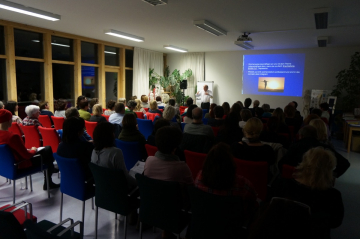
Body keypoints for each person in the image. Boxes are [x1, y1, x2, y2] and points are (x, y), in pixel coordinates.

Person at [274, 147, 344, 239]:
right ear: (329, 170)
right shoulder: (333, 196)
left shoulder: (281, 184)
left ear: (304, 163)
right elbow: (335, 223)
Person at [144, 126, 193, 239]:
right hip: (175, 214)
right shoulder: (181, 167)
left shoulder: (149, 160)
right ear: (176, 147)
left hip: (151, 208)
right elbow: (191, 190)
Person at [195, 143, 257, 222]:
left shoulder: (199, 178)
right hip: (233, 227)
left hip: (205, 223)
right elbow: (253, 200)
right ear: (231, 163)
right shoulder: (242, 184)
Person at [0, 109, 59, 190]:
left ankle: (51, 169)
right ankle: (49, 181)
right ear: (8, 120)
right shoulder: (12, 137)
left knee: (46, 152)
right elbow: (27, 156)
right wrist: (33, 149)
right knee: (47, 150)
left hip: (5, 166)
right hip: (20, 164)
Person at [278, 125, 350, 178]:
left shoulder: (295, 146)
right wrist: (331, 175)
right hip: (319, 184)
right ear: (316, 136)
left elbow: (282, 163)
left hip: (296, 181)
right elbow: (345, 163)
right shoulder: (325, 148)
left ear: (301, 136)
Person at [91, 122, 137, 190]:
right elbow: (125, 177)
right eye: (112, 132)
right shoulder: (116, 152)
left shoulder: (94, 151)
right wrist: (138, 183)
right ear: (109, 136)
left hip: (102, 189)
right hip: (118, 190)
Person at [57, 117, 94, 182]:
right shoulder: (86, 147)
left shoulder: (60, 146)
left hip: (68, 179)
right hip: (86, 178)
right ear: (79, 132)